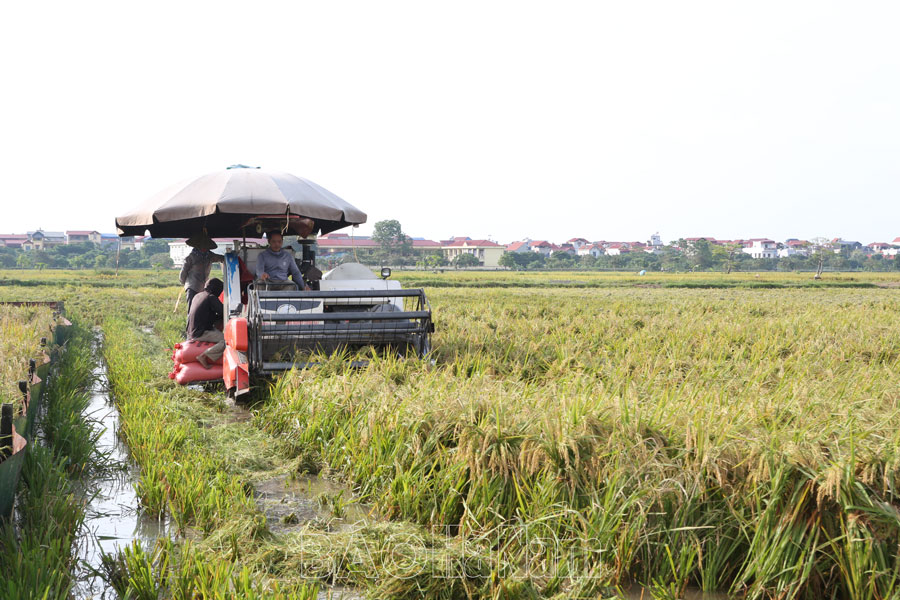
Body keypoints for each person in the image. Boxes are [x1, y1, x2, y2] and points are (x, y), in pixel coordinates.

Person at [179, 232, 224, 312]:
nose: (204, 248)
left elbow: (221, 258)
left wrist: (230, 256)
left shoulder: (209, 256)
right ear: (197, 246)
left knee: (202, 309)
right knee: (192, 310)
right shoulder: (191, 257)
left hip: (203, 287)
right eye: (202, 246)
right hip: (192, 287)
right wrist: (184, 283)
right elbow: (183, 274)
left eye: (206, 247)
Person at [188, 278, 225, 369]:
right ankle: (204, 356)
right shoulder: (211, 297)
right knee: (227, 341)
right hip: (200, 332)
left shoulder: (198, 295)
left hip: (191, 330)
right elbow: (223, 311)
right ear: (216, 289)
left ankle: (215, 335)